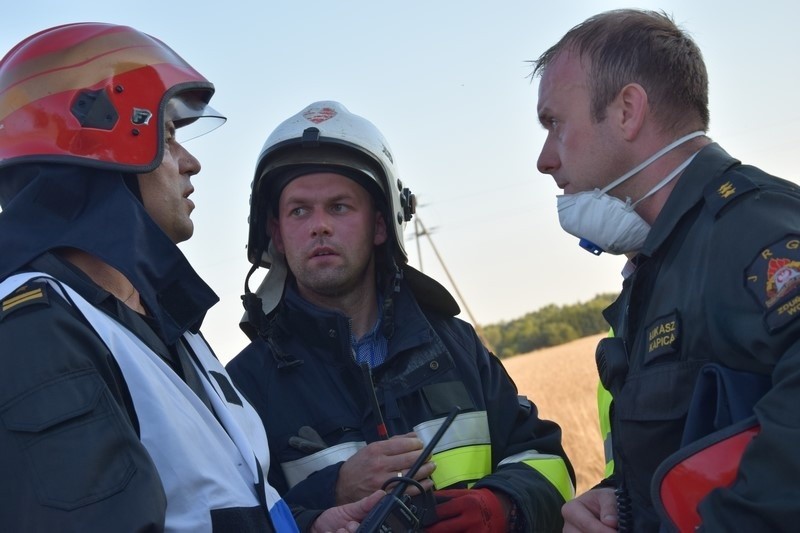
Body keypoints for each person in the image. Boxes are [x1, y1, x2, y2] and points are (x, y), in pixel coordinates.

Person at [0, 23, 381, 532]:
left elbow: (216, 503)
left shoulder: (158, 319)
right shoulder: (34, 331)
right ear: (104, 147)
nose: (192, 163)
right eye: (172, 136)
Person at [225, 100, 575, 532]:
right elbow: (229, 520)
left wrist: (504, 505)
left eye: (339, 207)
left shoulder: (455, 347)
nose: (320, 227)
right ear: (275, 233)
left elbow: (546, 461)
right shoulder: (241, 389)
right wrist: (330, 493)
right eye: (299, 210)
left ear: (380, 225)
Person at [532, 8, 800, 532]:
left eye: (555, 124)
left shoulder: (752, 233)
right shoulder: (661, 263)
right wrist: (617, 500)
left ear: (628, 110)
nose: (545, 159)